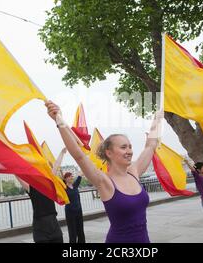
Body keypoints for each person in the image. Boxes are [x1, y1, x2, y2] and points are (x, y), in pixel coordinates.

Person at [45, 100, 162, 243]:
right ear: (109, 153)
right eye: (124, 147)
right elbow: (79, 155)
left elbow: (150, 146)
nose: (130, 151)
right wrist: (59, 120)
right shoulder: (104, 181)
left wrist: (158, 117)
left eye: (130, 147)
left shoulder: (134, 172)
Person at [16, 148, 68, 243]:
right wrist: (12, 165)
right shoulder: (31, 187)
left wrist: (62, 153)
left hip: (53, 225)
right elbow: (18, 175)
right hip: (40, 228)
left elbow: (56, 167)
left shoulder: (49, 184)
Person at [63, 170, 86, 243]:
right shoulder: (64, 188)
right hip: (70, 212)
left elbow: (80, 176)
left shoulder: (75, 185)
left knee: (80, 229)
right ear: (66, 178)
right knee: (72, 231)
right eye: (69, 176)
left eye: (72, 176)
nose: (71, 177)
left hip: (78, 211)